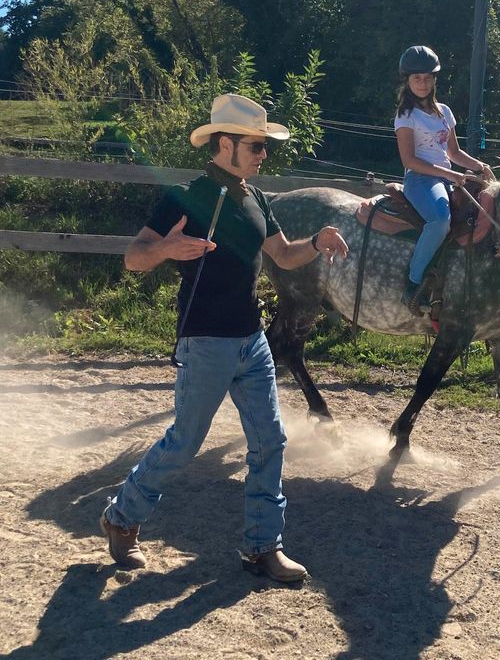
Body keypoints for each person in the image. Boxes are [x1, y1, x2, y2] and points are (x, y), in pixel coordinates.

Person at [100, 94, 348, 582]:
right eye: (256, 145)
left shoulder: (257, 199)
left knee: (269, 441)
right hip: (205, 341)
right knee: (185, 442)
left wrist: (317, 242)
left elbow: (284, 255)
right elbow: (134, 256)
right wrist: (168, 247)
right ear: (226, 143)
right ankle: (120, 518)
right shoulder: (186, 195)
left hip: (251, 339)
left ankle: (263, 547)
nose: (263, 154)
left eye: (263, 146)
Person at [394, 46, 494, 312]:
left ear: (435, 79)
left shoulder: (445, 112)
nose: (423, 83)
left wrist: (480, 165)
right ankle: (413, 284)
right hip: (420, 180)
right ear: (408, 81)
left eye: (427, 78)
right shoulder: (405, 116)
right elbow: (409, 161)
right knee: (440, 221)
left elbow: (453, 152)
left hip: (447, 178)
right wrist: (449, 173)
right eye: (417, 78)